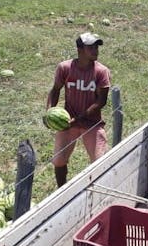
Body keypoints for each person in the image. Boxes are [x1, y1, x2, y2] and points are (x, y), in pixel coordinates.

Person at [46, 32, 111, 187]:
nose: (95, 50)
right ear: (79, 49)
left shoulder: (101, 72)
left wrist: (80, 118)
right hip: (68, 123)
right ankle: (61, 191)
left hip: (92, 123)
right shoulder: (65, 68)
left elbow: (101, 101)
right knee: (59, 161)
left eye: (96, 47)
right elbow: (55, 90)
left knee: (100, 161)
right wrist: (50, 112)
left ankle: (99, 191)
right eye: (91, 47)